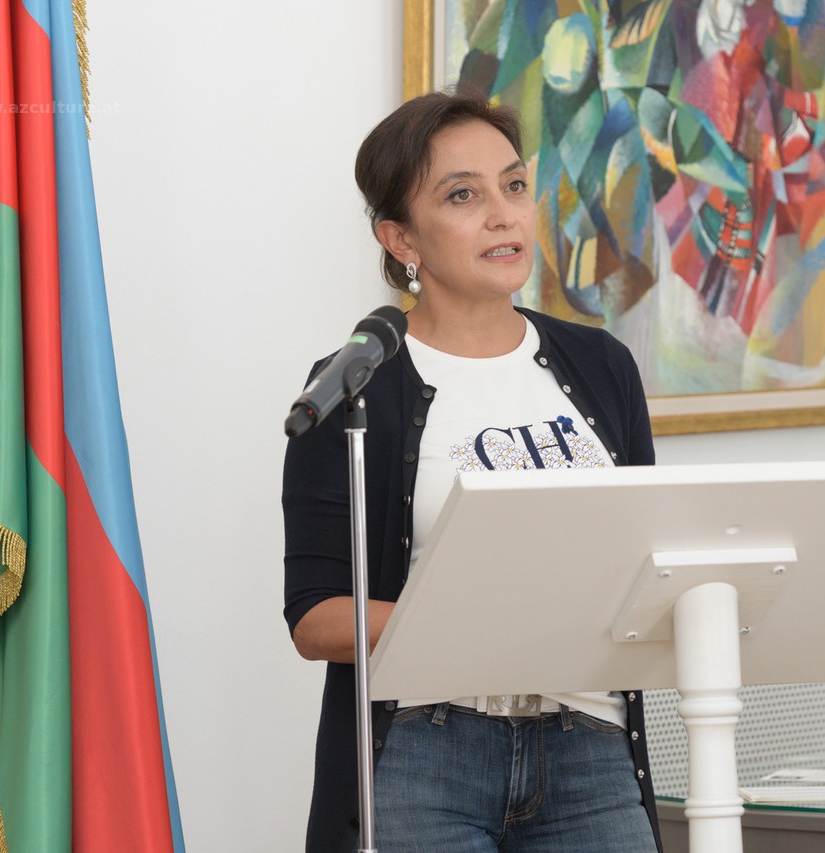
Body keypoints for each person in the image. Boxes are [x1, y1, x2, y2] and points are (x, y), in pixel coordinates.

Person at [282, 89, 662, 853]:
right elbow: (316, 617)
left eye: (514, 185)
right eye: (463, 195)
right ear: (401, 238)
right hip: (428, 753)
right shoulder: (356, 385)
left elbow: (647, 555)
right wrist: (491, 623)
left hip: (589, 747)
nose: (503, 215)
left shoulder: (602, 365)